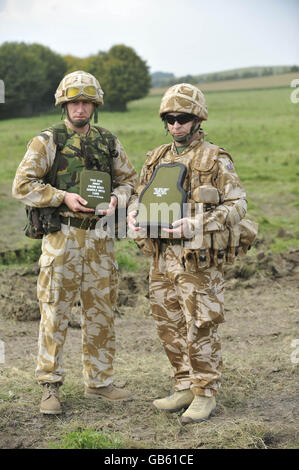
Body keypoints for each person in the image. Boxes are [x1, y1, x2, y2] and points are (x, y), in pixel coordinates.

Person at [12, 70, 138, 414]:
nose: (80, 108)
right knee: (55, 311)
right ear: (63, 104)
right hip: (62, 237)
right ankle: (50, 386)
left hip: (100, 239)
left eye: (86, 102)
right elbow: (22, 185)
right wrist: (61, 196)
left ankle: (100, 382)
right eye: (74, 102)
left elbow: (130, 181)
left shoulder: (108, 140)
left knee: (101, 311)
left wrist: (117, 198)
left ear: (94, 105)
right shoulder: (47, 141)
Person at [128, 83, 249, 424]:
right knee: (168, 322)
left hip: (198, 261)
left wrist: (197, 223)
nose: (176, 125)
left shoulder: (215, 158)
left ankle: (205, 392)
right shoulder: (156, 158)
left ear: (197, 120)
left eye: (183, 118)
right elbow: (140, 196)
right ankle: (183, 383)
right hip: (161, 257)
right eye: (170, 118)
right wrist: (133, 215)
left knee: (201, 324)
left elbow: (238, 205)